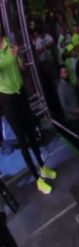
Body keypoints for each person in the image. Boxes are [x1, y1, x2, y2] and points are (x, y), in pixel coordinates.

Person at [1, 35, 58, 195]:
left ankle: (42, 167)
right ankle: (37, 180)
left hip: (21, 93)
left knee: (31, 133)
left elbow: (23, 68)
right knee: (22, 139)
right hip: (7, 98)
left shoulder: (8, 42)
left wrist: (19, 55)